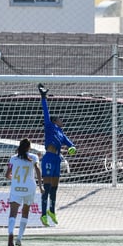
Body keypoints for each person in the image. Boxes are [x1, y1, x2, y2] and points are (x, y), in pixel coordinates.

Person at [38, 83, 76, 227]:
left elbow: (71, 144)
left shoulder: (61, 133)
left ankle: (52, 211)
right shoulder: (49, 126)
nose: (62, 120)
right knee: (47, 188)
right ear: (55, 121)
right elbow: (45, 112)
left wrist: (73, 148)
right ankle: (43, 214)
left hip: (57, 160)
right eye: (60, 119)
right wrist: (43, 97)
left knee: (55, 187)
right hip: (48, 157)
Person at [5, 138, 44, 246]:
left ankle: (10, 233)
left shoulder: (13, 158)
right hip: (29, 188)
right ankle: (19, 238)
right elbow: (37, 170)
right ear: (29, 147)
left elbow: (7, 175)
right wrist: (41, 186)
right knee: (25, 212)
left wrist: (13, 178)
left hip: (16, 187)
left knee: (13, 213)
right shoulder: (34, 157)